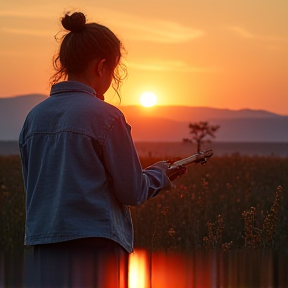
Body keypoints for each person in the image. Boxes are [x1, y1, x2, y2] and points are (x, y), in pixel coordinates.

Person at [19, 11, 186, 288]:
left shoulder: (34, 118)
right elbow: (131, 191)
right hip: (97, 246)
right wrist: (160, 175)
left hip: (44, 246)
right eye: (114, 70)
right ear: (102, 66)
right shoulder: (107, 117)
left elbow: (36, 187)